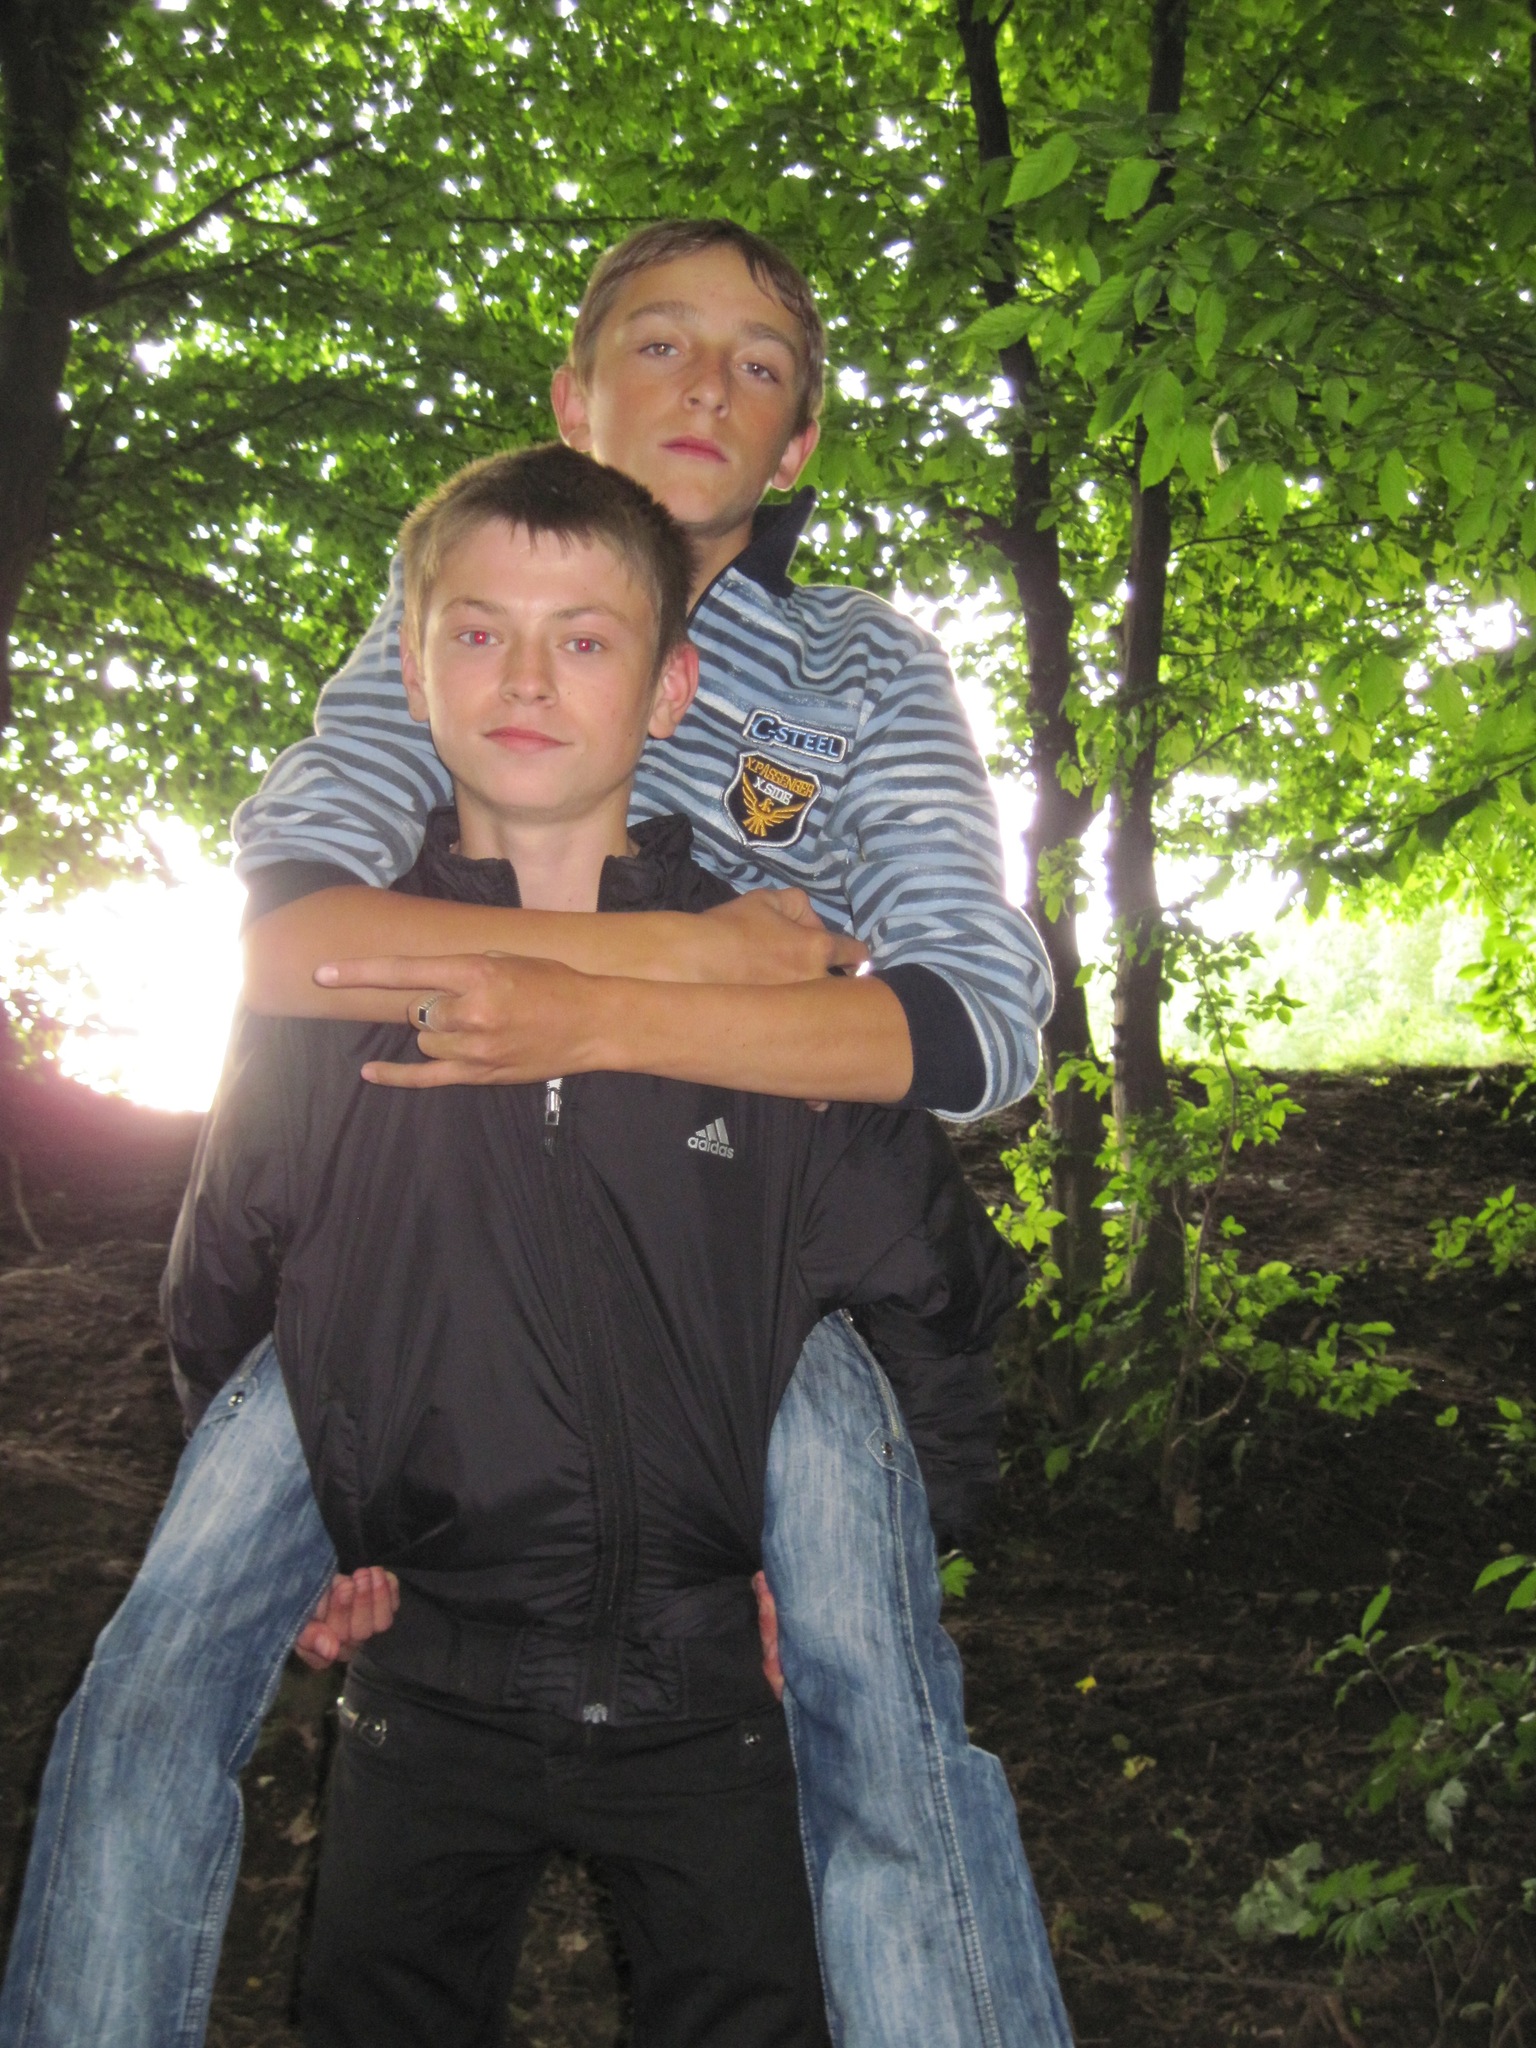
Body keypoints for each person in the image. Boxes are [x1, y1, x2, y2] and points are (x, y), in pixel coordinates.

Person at [0, 219, 1073, 2048]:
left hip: (749, 1271)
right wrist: (683, 954)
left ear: (799, 442)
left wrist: (609, 1017)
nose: (705, 386)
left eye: (758, 365)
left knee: (883, 1727)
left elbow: (975, 1025)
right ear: (575, 398)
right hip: (421, 1247)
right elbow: (292, 941)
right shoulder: (457, 617)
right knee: (150, 1686)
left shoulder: (863, 675)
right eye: (660, 345)